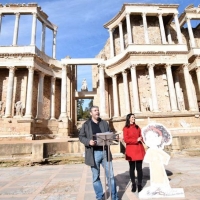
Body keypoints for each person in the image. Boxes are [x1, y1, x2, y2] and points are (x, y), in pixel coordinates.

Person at [79, 106, 118, 200]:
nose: (97, 112)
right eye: (95, 110)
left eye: (98, 110)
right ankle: (99, 197)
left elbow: (110, 134)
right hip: (94, 154)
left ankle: (114, 197)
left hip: (105, 152)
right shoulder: (86, 124)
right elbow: (81, 136)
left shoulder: (104, 123)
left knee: (111, 176)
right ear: (91, 113)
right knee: (95, 177)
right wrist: (88, 141)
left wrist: (114, 137)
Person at [123, 113, 145, 193]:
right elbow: (126, 140)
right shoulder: (126, 128)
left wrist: (145, 139)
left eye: (134, 117)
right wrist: (136, 140)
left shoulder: (137, 127)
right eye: (132, 117)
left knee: (139, 168)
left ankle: (139, 184)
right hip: (131, 150)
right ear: (129, 118)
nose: (134, 118)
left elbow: (141, 136)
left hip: (139, 149)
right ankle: (133, 184)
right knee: (132, 168)